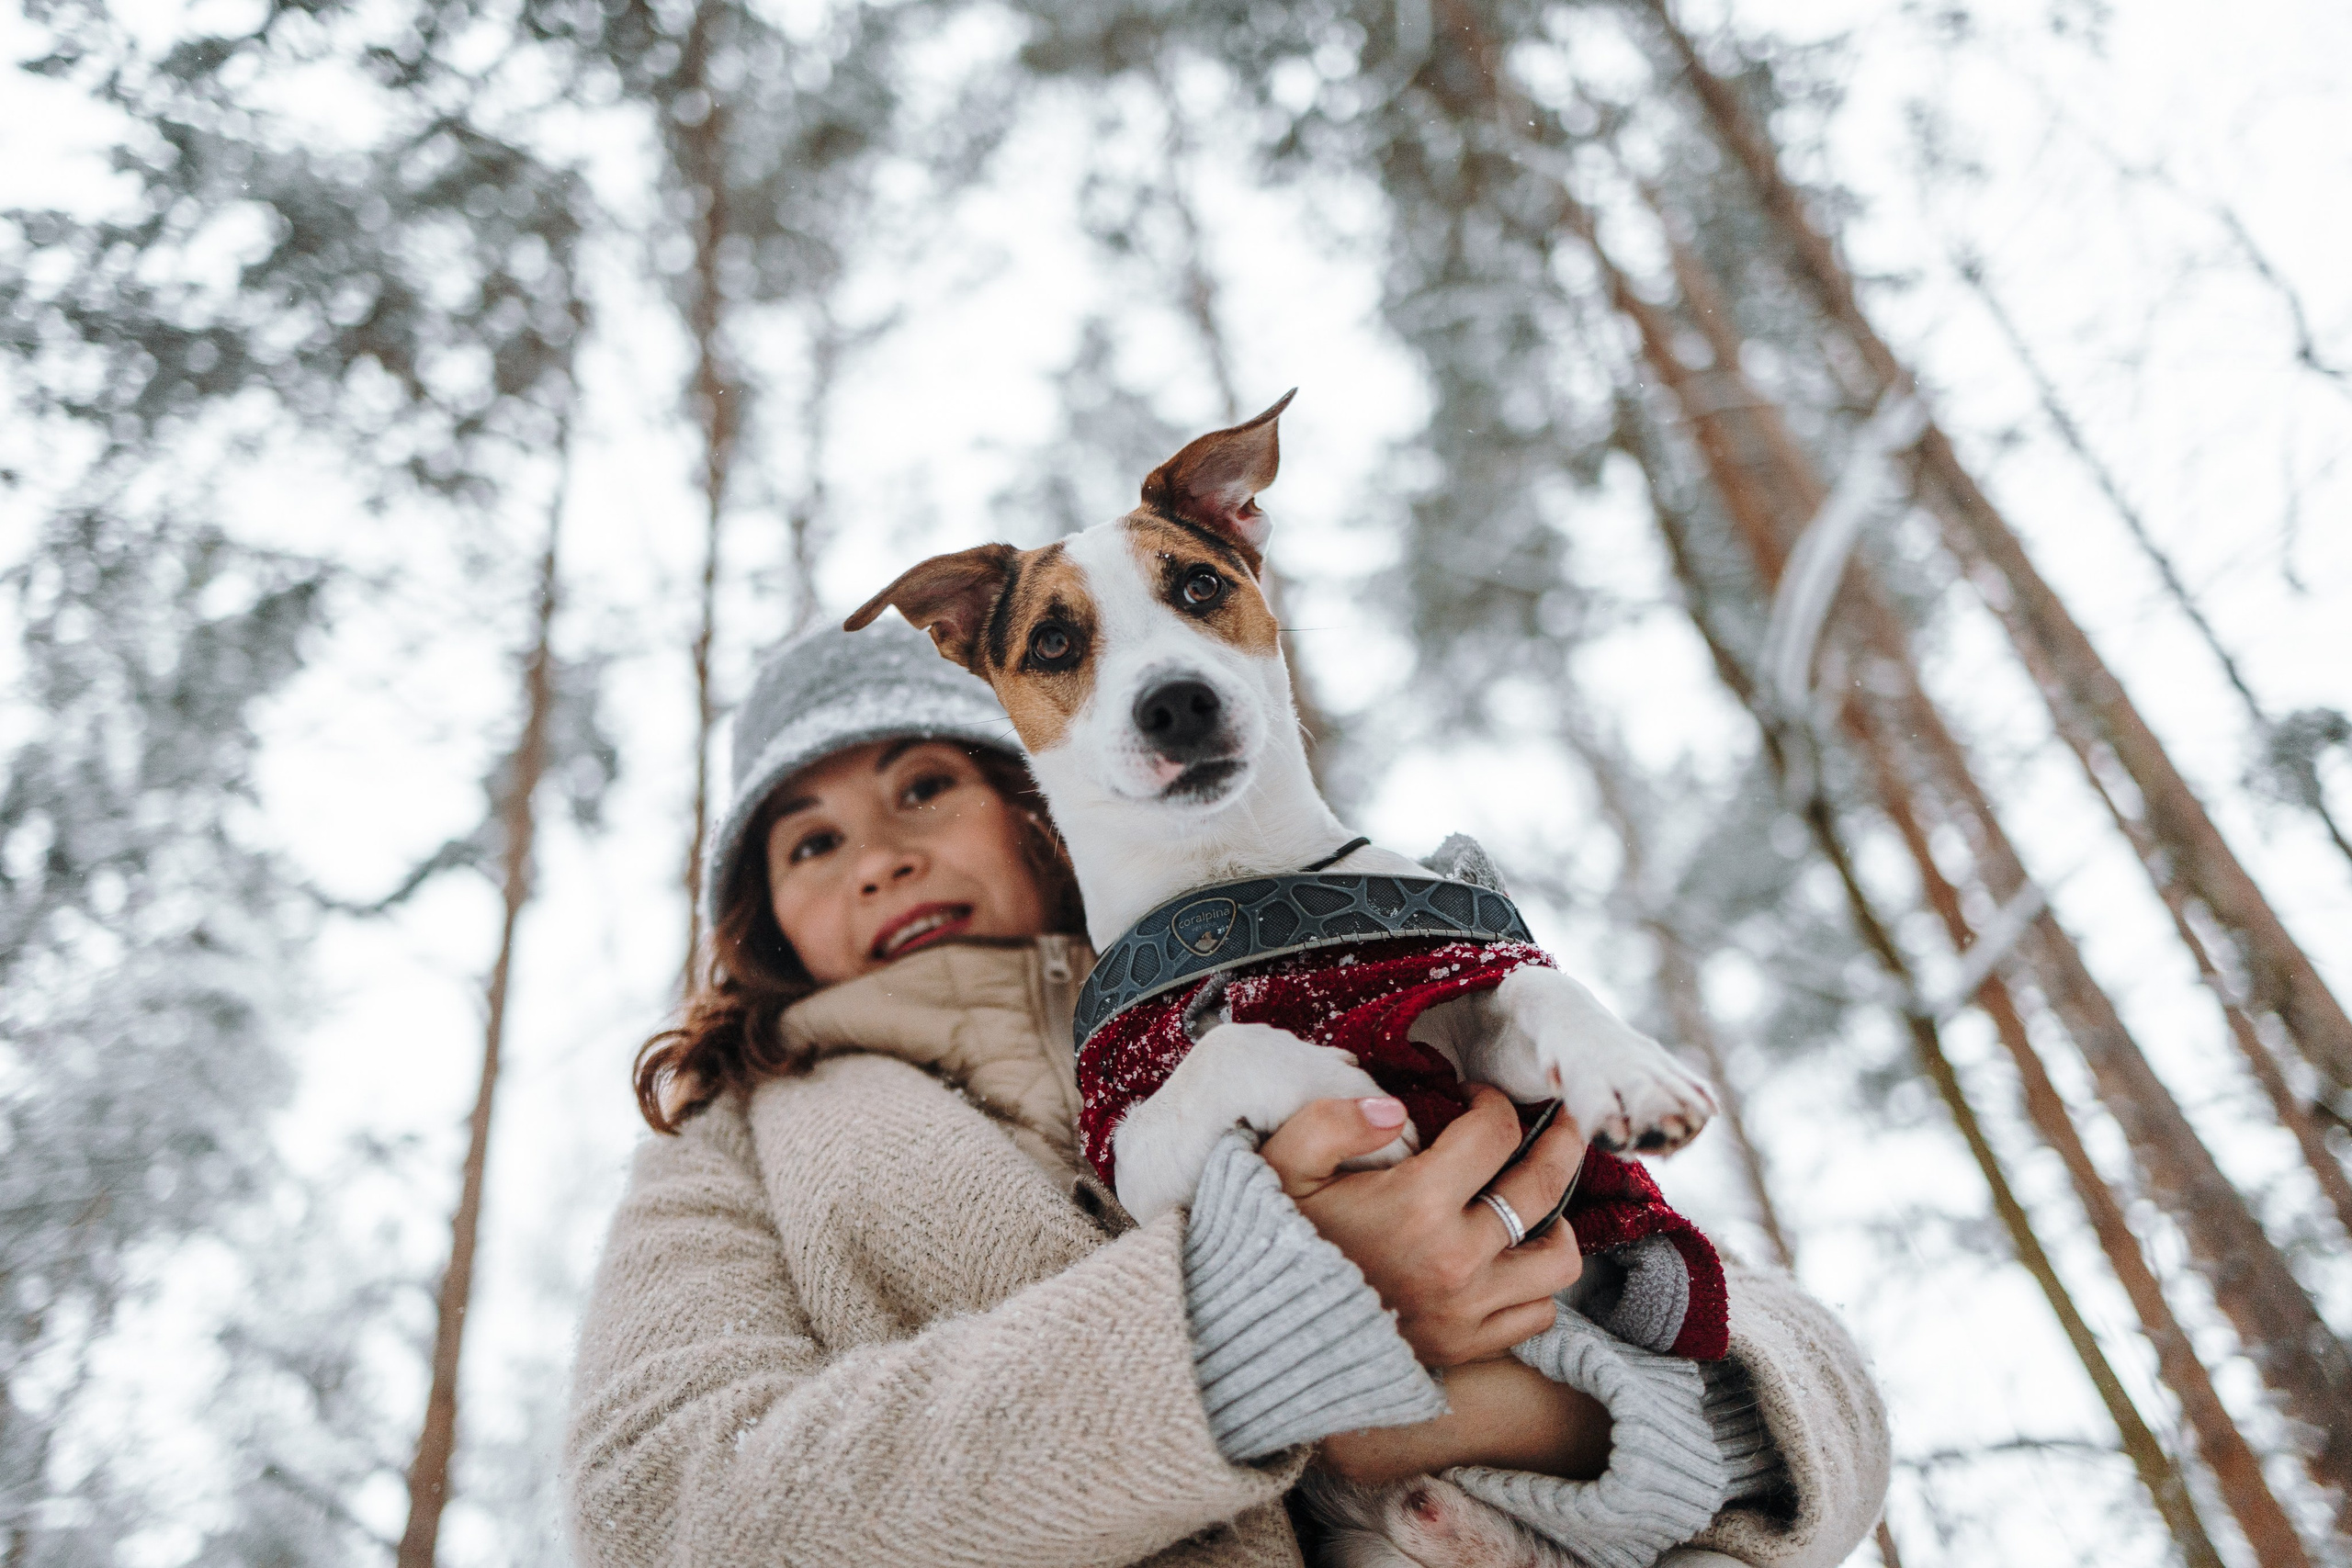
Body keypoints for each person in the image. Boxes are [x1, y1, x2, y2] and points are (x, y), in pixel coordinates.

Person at [565, 618, 1890, 1567]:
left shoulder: (1301, 975)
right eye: (812, 840)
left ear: (1037, 806)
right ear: (766, 916)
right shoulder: (736, 1143)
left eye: (926, 787)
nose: (882, 859)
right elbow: (665, 1512)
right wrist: (1254, 1341)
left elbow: (1817, 1388)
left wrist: (1574, 1415)